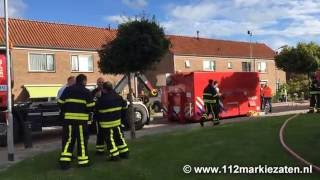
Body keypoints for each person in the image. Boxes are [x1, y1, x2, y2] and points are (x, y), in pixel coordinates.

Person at [58, 74, 95, 170]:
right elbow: (91, 106)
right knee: (82, 141)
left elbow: (60, 103)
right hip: (82, 121)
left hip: (69, 121)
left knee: (68, 141)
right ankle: (83, 161)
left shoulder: (68, 89)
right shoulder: (86, 92)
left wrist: (67, 110)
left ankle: (65, 162)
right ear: (84, 81)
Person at [96, 81, 129, 160]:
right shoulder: (118, 97)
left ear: (104, 89)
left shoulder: (101, 100)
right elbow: (125, 106)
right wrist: (121, 116)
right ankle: (125, 153)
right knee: (119, 137)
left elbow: (96, 110)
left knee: (110, 140)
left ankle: (114, 155)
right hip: (117, 122)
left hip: (106, 124)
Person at [92, 77, 105, 154]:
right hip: (98, 116)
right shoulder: (94, 92)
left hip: (107, 116)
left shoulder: (107, 91)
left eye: (102, 82)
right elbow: (91, 102)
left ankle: (112, 148)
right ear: (97, 83)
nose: (101, 84)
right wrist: (96, 97)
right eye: (99, 82)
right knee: (99, 133)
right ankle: (100, 149)